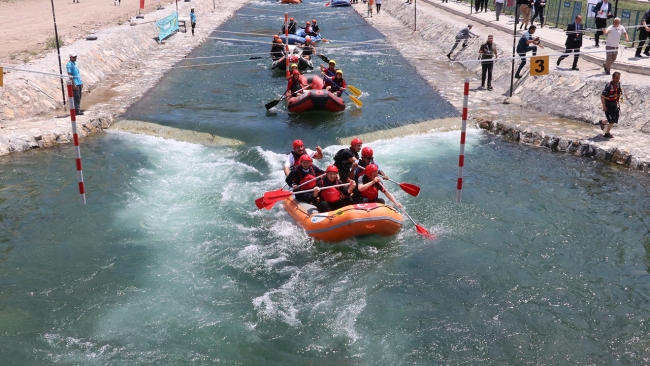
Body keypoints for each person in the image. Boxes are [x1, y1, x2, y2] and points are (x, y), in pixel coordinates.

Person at [598, 71, 622, 138]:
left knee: (614, 118)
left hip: (614, 104)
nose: (618, 80)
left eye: (619, 78)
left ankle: (603, 122)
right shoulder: (609, 86)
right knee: (612, 120)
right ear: (613, 78)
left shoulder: (618, 84)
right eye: (616, 78)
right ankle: (607, 133)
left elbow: (618, 92)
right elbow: (602, 96)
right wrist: (604, 105)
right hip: (608, 105)